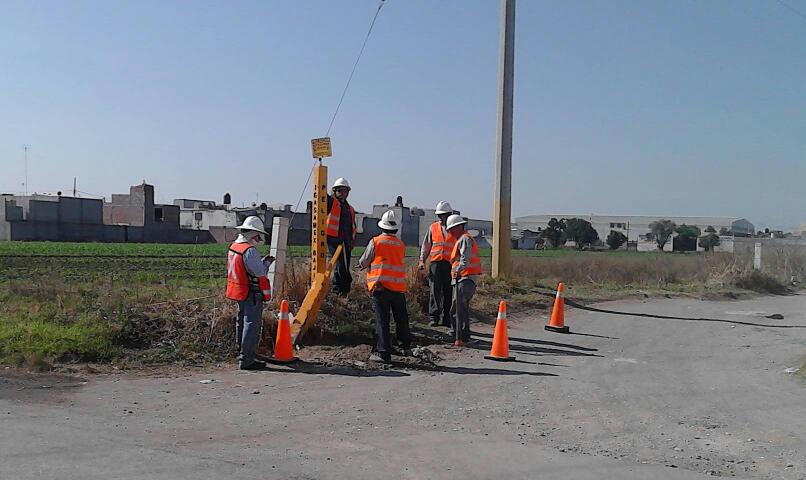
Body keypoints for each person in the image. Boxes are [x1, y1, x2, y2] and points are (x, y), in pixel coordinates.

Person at [358, 210, 412, 364]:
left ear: (382, 227)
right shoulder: (401, 245)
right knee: (401, 319)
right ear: (395, 229)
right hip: (398, 288)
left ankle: (383, 352)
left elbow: (365, 260)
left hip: (381, 287)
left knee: (383, 320)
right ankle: (405, 347)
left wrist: (361, 265)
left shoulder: (376, 241)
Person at [225, 215, 274, 370]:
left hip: (238, 290)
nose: (259, 239)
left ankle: (241, 351)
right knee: (251, 324)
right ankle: (247, 359)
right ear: (253, 234)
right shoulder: (249, 251)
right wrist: (266, 262)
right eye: (258, 235)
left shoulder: (234, 247)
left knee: (241, 321)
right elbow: (260, 273)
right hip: (250, 292)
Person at [419, 201, 456, 328]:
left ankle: (447, 318)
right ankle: (434, 317)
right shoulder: (433, 227)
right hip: (435, 264)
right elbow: (426, 245)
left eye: (444, 215)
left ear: (449, 214)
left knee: (448, 292)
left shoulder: (455, 229)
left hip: (450, 265)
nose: (442, 217)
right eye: (440, 215)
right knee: (434, 292)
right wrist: (422, 260)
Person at [446, 214, 481, 347]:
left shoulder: (465, 239)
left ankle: (462, 337)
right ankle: (459, 335)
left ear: (459, 227)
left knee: (459, 309)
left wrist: (457, 271)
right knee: (458, 309)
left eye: (451, 229)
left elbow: (464, 260)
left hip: (465, 278)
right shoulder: (462, 239)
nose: (450, 232)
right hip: (462, 278)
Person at [326, 177, 357, 296]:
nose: (342, 193)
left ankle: (341, 291)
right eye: (339, 190)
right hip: (334, 239)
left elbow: (352, 227)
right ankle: (340, 290)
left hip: (346, 242)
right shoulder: (332, 202)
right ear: (334, 191)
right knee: (341, 266)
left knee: (343, 266)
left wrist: (352, 241)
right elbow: (321, 196)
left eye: (344, 191)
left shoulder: (350, 209)